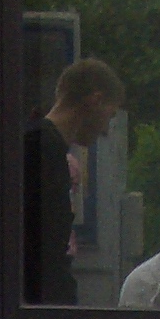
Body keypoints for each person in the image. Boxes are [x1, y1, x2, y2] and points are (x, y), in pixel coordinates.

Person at [22, 58, 124, 305]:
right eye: (109, 116)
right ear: (95, 101)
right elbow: (44, 249)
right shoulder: (43, 152)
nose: (105, 130)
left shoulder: (39, 146)